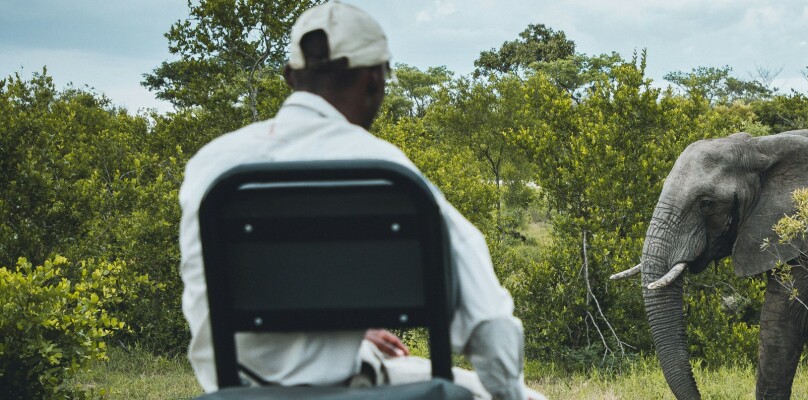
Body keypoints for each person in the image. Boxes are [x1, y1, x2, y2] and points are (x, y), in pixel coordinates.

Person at [177, 2, 540, 399]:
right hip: (344, 388)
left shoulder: (211, 164)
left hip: (233, 390)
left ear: (289, 77)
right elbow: (489, 322)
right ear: (374, 79)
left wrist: (340, 332)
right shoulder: (384, 169)